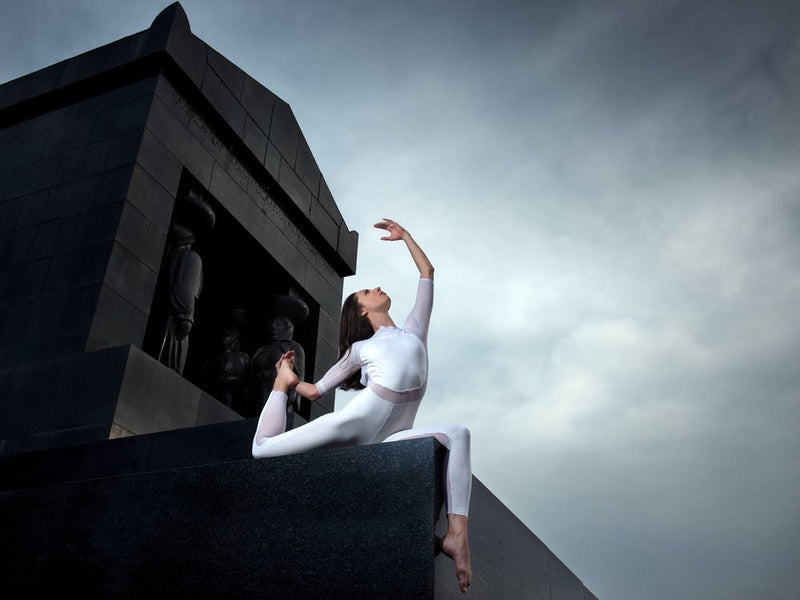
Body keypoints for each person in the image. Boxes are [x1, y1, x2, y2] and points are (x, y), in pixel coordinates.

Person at [252, 218, 472, 592]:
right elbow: (316, 391)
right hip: (355, 422)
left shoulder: (414, 330)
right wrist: (289, 378)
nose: (377, 288)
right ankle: (277, 386)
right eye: (368, 291)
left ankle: (456, 535)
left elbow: (427, 272)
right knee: (262, 450)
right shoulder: (359, 349)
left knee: (457, 434)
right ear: (362, 311)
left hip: (392, 437)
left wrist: (406, 237)